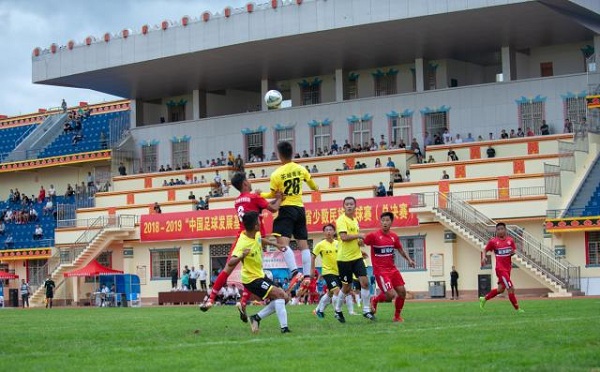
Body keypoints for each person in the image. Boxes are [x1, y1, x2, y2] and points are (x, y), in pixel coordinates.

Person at [200, 172, 282, 321]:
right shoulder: (254, 197)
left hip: (241, 237)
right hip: (256, 237)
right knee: (254, 272)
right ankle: (243, 301)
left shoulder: (237, 201)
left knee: (228, 269)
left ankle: (212, 299)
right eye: (248, 180)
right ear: (245, 183)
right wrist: (280, 197)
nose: (250, 182)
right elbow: (274, 208)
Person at [260, 141, 319, 285]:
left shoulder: (277, 174)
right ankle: (306, 276)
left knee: (282, 242)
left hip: (286, 209)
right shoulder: (300, 169)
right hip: (300, 209)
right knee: (303, 244)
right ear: (292, 152)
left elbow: (274, 195)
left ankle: (294, 272)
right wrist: (312, 186)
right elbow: (314, 186)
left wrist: (260, 195)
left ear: (279, 155)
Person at [229, 211, 290, 334]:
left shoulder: (255, 233)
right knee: (279, 295)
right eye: (259, 221)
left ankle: (256, 318)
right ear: (256, 225)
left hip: (260, 275)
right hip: (251, 280)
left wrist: (275, 244)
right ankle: (284, 329)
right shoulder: (242, 242)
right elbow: (231, 262)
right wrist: (242, 255)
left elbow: (260, 240)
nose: (260, 222)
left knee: (285, 298)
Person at [365, 212, 415, 322]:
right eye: (382, 220)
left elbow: (400, 250)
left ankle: (397, 317)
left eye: (387, 220)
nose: (384, 223)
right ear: (380, 222)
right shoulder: (374, 236)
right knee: (390, 295)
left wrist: (409, 260)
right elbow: (362, 242)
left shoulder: (394, 237)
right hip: (381, 271)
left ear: (391, 222)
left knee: (402, 292)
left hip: (392, 269)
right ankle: (375, 300)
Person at [333, 196, 375, 322]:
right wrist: (359, 235)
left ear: (355, 206)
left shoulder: (355, 221)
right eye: (347, 204)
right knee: (346, 288)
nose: (349, 206)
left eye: (351, 204)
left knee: (365, 283)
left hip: (357, 257)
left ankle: (366, 310)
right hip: (344, 259)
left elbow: (353, 240)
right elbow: (344, 237)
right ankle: (338, 310)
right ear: (343, 206)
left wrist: (360, 242)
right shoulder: (341, 220)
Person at [479, 222, 524, 313]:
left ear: (505, 230)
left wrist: (513, 252)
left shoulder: (510, 240)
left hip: (508, 269)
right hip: (500, 269)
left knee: (500, 289)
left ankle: (484, 299)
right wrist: (484, 257)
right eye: (498, 229)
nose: (500, 231)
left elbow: (514, 250)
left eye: (502, 229)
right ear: (496, 231)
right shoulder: (493, 242)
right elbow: (485, 250)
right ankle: (517, 309)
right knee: (511, 288)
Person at [310, 224, 341, 318]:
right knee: (337, 291)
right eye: (326, 230)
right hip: (327, 272)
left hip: (339, 272)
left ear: (334, 232)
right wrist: (312, 269)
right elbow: (313, 256)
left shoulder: (338, 243)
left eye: (330, 230)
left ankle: (318, 310)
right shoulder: (320, 244)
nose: (328, 232)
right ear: (324, 232)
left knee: (330, 293)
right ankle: (337, 312)